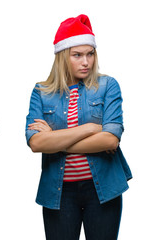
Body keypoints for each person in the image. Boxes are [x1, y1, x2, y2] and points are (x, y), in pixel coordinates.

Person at [25, 14, 132, 240]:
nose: (86, 61)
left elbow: (110, 140)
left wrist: (54, 139)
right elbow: (35, 143)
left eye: (90, 54)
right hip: (59, 192)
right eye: (77, 55)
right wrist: (90, 128)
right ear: (63, 57)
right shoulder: (41, 92)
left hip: (102, 188)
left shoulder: (107, 86)